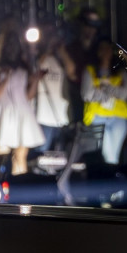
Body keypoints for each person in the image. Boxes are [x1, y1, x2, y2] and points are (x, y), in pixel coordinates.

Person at [0, 25, 46, 179]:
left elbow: (28, 96)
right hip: (5, 113)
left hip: (22, 113)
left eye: (14, 44)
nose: (12, 48)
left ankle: (20, 187)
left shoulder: (24, 67)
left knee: (20, 155)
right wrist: (5, 79)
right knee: (2, 154)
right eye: (9, 44)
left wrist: (36, 80)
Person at [81, 36, 127, 165]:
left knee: (112, 154)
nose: (105, 52)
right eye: (102, 49)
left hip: (118, 117)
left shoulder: (120, 72)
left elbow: (125, 93)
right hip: (97, 117)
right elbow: (87, 94)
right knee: (102, 152)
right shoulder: (90, 70)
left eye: (108, 49)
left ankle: (110, 176)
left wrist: (105, 88)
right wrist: (111, 93)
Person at [33, 16, 74, 154]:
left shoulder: (60, 57)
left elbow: (71, 70)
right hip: (43, 116)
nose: (50, 36)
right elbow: (35, 67)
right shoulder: (37, 54)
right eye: (47, 33)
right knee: (42, 153)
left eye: (52, 33)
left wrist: (61, 52)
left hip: (60, 115)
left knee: (61, 155)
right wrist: (47, 48)